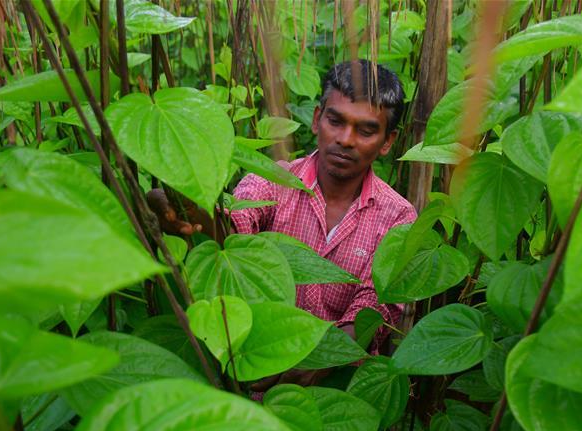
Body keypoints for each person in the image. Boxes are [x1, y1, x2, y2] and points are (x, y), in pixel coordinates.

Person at [149, 59, 417, 387]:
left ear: (387, 142)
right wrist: (189, 207)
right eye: (336, 120)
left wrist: (313, 361)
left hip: (339, 395)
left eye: (366, 130)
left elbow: (375, 309)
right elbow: (233, 232)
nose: (346, 139)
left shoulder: (398, 216)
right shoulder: (274, 181)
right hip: (251, 383)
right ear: (318, 119)